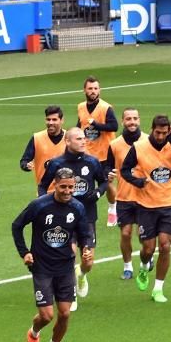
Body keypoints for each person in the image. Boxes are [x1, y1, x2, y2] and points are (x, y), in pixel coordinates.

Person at [12, 168, 94, 342]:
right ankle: (33, 334)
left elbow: (85, 233)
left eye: (71, 187)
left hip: (65, 267)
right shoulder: (40, 205)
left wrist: (86, 249)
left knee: (65, 314)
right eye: (63, 187)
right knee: (47, 315)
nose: (67, 191)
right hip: (42, 267)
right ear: (55, 185)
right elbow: (17, 225)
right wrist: (25, 252)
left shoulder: (77, 208)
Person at [121, 115, 171, 303]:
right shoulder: (139, 147)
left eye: (165, 133)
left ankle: (158, 289)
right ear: (152, 129)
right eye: (158, 132)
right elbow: (124, 170)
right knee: (148, 248)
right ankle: (144, 265)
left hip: (169, 203)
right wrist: (137, 182)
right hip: (146, 205)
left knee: (165, 245)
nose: (161, 136)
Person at [38, 127, 107, 308]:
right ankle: (71, 294)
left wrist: (98, 194)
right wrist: (44, 206)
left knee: (88, 260)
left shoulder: (92, 162)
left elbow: (104, 181)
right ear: (67, 142)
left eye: (84, 138)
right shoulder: (56, 164)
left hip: (87, 217)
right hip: (63, 218)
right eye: (78, 139)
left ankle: (82, 275)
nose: (83, 141)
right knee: (69, 254)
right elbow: (42, 186)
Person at [76, 76, 119, 225]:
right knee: (84, 183)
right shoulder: (81, 107)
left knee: (107, 183)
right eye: (90, 89)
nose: (93, 91)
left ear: (99, 90)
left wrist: (96, 124)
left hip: (105, 154)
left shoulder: (106, 108)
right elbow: (80, 125)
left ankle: (113, 209)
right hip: (87, 154)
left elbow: (114, 127)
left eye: (95, 88)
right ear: (85, 90)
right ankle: (83, 212)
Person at [107, 108, 144, 280]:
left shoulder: (148, 141)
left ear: (139, 120)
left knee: (144, 235)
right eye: (128, 118)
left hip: (146, 197)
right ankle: (128, 266)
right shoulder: (115, 145)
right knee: (125, 233)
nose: (132, 122)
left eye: (135, 118)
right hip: (124, 196)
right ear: (122, 121)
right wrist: (108, 174)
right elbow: (107, 166)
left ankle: (145, 262)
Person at [19, 105, 67, 192]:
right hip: (44, 193)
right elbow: (24, 160)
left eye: (54, 119)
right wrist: (26, 165)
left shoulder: (69, 138)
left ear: (62, 120)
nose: (51, 122)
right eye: (48, 119)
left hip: (66, 193)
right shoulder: (37, 138)